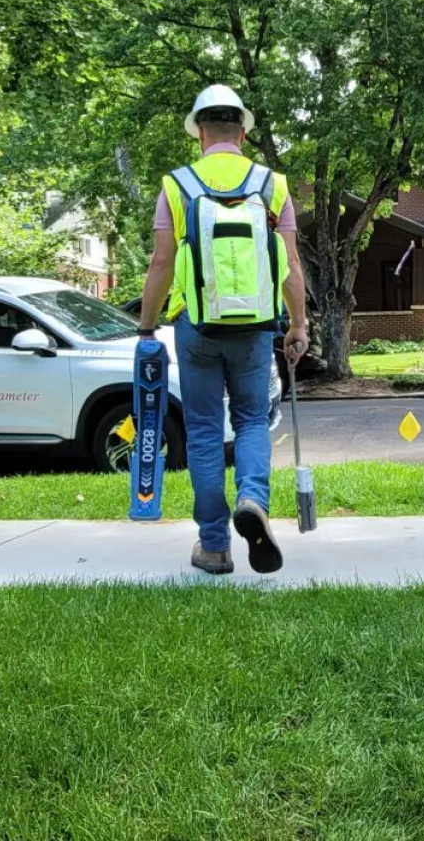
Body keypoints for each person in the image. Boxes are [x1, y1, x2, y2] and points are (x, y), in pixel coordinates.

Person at [138, 84, 310, 575]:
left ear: (200, 135)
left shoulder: (177, 185)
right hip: (256, 329)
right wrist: (298, 324)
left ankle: (214, 546)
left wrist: (147, 328)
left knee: (206, 430)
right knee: (254, 420)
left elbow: (162, 263)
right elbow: (291, 264)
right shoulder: (272, 185)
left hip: (196, 328)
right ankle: (252, 499)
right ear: (242, 132)